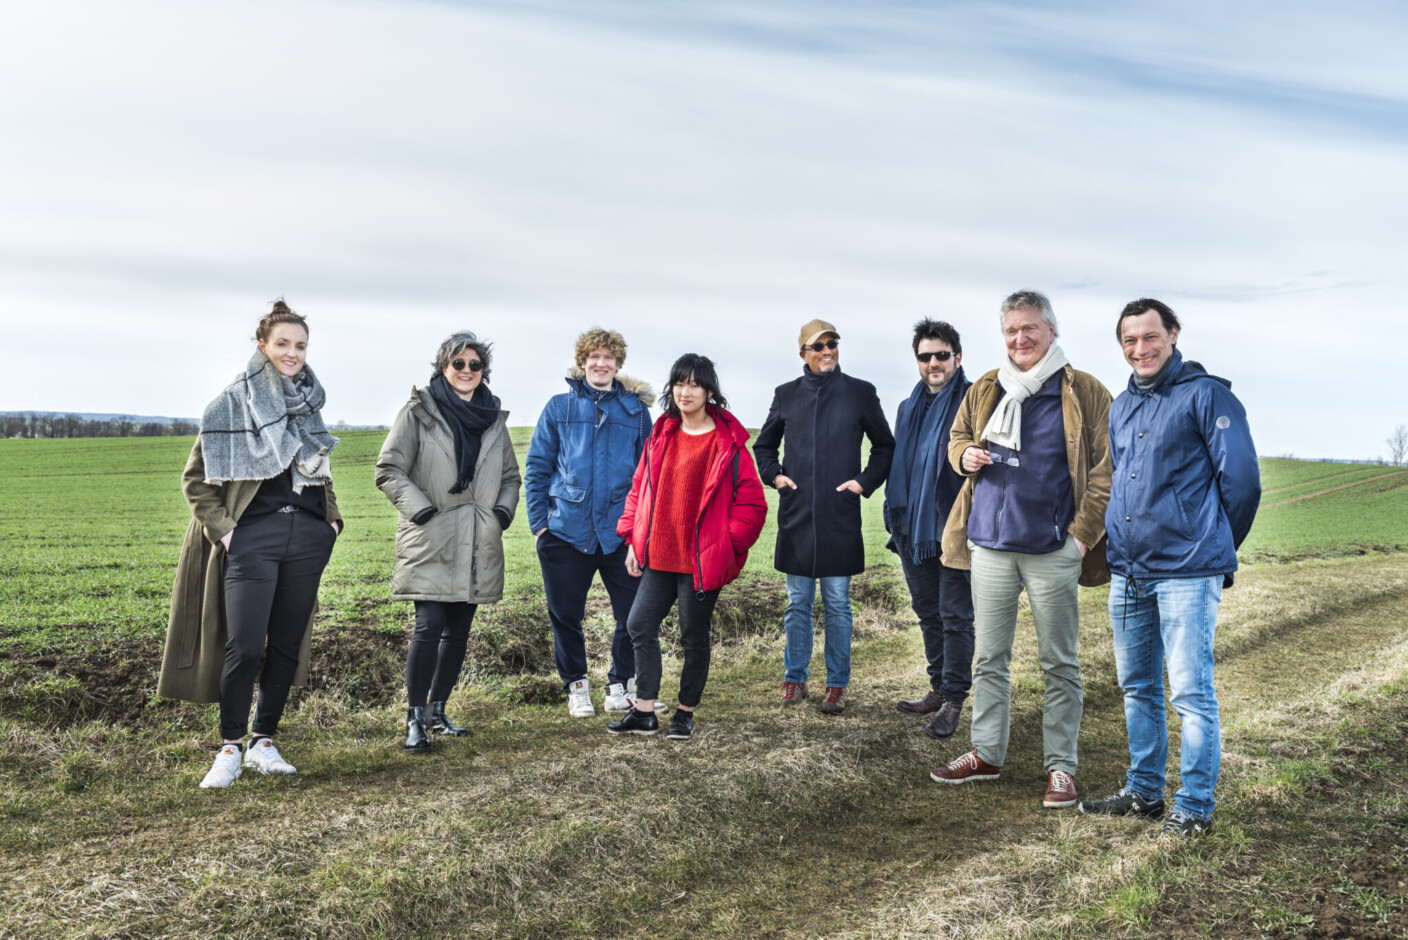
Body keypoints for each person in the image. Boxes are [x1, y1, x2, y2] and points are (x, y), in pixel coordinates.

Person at [1078, 299, 1260, 838]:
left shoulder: (1207, 395)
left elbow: (1243, 483)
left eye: (1150, 337)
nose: (1140, 349)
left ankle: (1196, 805)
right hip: (1130, 573)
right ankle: (1143, 792)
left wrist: (1213, 547)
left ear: (1173, 335)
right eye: (1129, 341)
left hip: (1187, 570)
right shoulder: (1122, 406)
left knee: (1190, 692)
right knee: (1137, 687)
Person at [929, 290, 1112, 810]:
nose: (1020, 339)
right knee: (990, 657)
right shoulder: (987, 386)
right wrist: (964, 455)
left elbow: (1106, 469)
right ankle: (986, 753)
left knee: (1060, 661)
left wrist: (1081, 537)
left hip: (1054, 547)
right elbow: (957, 438)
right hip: (988, 544)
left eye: (1030, 328)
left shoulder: (1086, 391)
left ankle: (1061, 768)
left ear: (1051, 331)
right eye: (1010, 330)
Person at [158, 300, 342, 789]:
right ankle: (229, 748)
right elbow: (195, 481)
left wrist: (332, 521)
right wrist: (227, 530)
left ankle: (264, 740)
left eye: (300, 345)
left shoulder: (308, 405)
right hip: (251, 539)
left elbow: (319, 469)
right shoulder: (230, 404)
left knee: (285, 643)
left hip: (305, 536)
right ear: (263, 345)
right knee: (243, 644)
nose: (292, 353)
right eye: (283, 343)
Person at [607, 354, 767, 740]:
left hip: (700, 560)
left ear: (709, 390)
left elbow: (753, 505)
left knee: (693, 636)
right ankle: (644, 711)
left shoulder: (728, 444)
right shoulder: (662, 434)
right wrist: (632, 538)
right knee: (638, 625)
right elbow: (639, 489)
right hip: (660, 554)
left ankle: (684, 712)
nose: (685, 391)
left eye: (694, 384)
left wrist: (725, 544)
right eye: (679, 383)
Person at [375, 331, 521, 752]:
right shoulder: (419, 411)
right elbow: (388, 469)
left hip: (478, 538)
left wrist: (500, 514)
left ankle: (439, 711)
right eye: (459, 363)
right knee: (429, 626)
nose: (467, 371)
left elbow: (511, 477)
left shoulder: (493, 417)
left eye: (475, 365)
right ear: (444, 367)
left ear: (483, 371)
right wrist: (420, 509)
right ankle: (414, 718)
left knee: (458, 630)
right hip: (432, 536)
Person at [753, 319, 894, 714]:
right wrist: (775, 476)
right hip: (797, 516)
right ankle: (794, 679)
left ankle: (836, 685)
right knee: (798, 604)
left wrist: (862, 483)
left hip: (839, 516)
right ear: (803, 353)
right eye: (818, 346)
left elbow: (884, 446)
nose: (827, 350)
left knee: (837, 604)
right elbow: (764, 446)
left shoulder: (861, 393)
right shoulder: (785, 395)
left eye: (832, 343)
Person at [525, 329, 656, 718]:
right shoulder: (558, 407)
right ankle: (577, 687)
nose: (601, 364)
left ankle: (620, 686)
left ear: (618, 364)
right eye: (594, 357)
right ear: (582, 362)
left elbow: (647, 474)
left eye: (609, 357)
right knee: (566, 616)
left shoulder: (635, 411)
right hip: (565, 531)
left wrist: (640, 531)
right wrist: (540, 525)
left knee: (632, 616)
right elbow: (537, 468)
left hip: (620, 534)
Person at [885, 319, 975, 739]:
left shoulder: (974, 401)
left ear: (957, 358)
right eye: (926, 356)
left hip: (953, 526)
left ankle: (955, 700)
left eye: (942, 355)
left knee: (956, 616)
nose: (934, 363)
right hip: (911, 529)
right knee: (928, 613)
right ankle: (938, 687)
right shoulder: (907, 406)